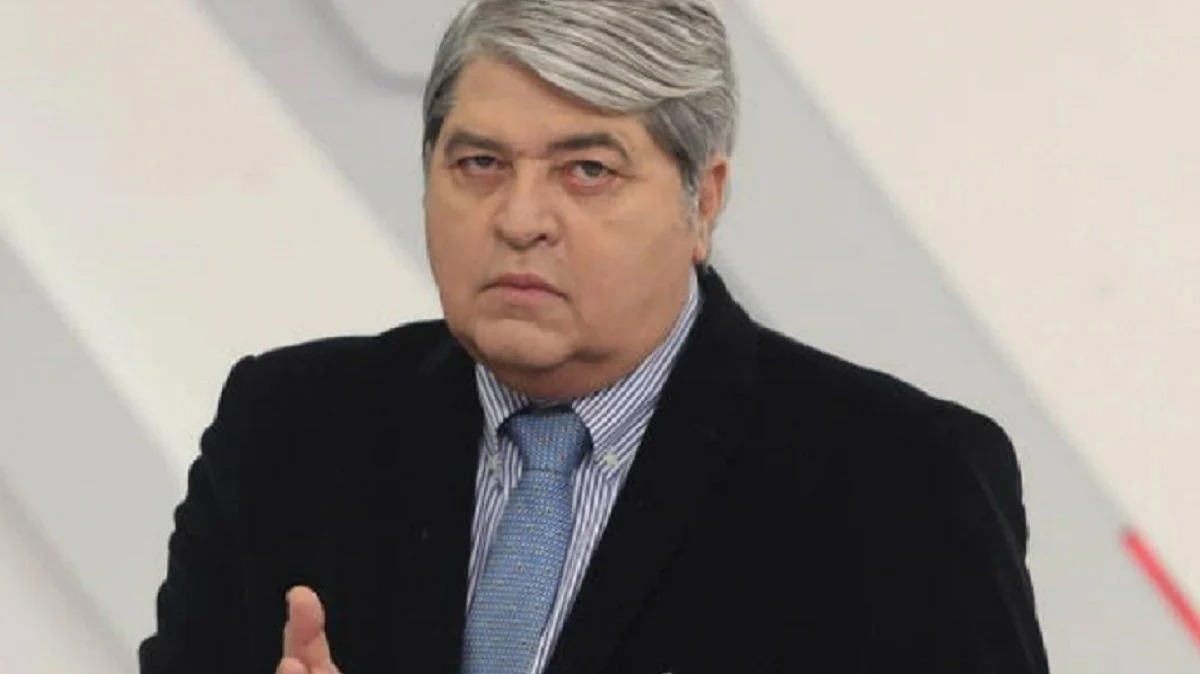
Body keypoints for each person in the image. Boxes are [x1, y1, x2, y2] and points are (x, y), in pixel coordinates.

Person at [139, 0, 1050, 672]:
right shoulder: (288, 428)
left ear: (704, 201)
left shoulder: (901, 481)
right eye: (480, 163)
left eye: (586, 171)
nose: (520, 219)